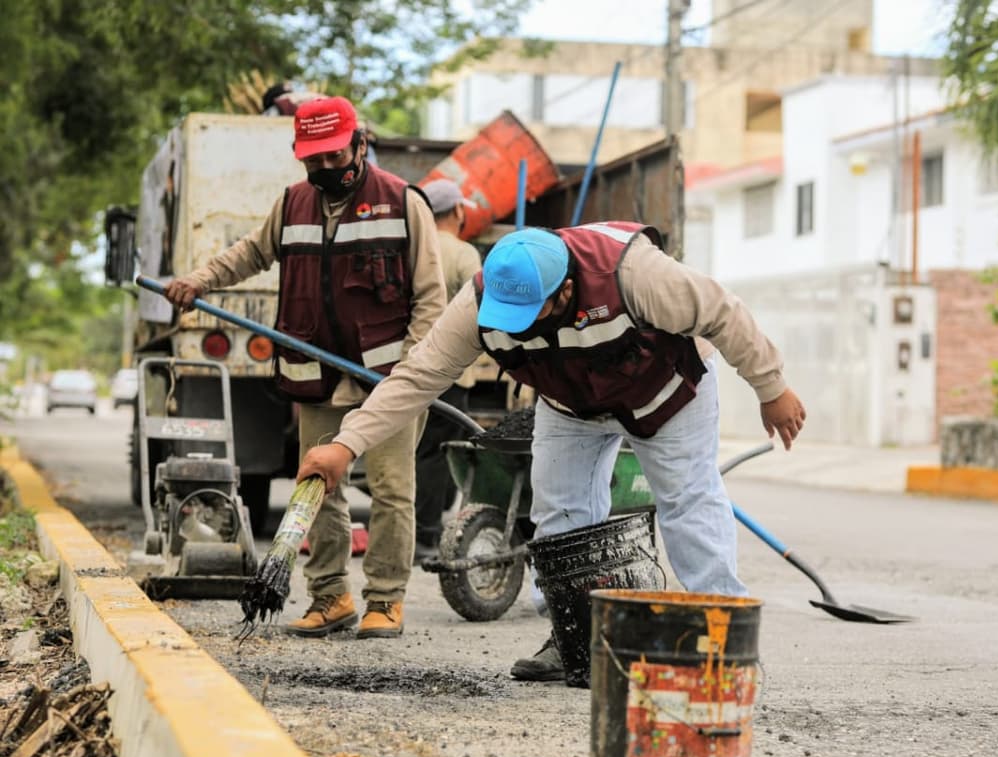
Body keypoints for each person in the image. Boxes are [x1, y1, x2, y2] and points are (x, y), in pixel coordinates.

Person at [298, 221, 806, 680]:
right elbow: (418, 376)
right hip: (570, 404)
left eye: (527, 312)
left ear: (565, 290)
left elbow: (723, 312)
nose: (513, 326)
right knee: (558, 513)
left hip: (668, 392)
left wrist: (771, 387)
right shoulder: (478, 306)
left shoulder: (636, 274)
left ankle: (725, 638)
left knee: (688, 505)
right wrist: (347, 444)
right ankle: (571, 637)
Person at [163, 96, 446, 640]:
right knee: (317, 486)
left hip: (388, 380)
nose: (322, 169)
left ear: (360, 146)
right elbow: (249, 254)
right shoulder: (292, 204)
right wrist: (199, 281)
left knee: (390, 490)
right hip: (314, 371)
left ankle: (385, 599)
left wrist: (412, 374)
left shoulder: (402, 203)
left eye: (333, 157)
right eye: (311, 159)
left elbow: (431, 301)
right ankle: (330, 597)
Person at [412, 179, 482, 560]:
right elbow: (481, 303)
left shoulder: (413, 246)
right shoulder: (463, 253)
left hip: (410, 366)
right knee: (443, 450)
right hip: (451, 371)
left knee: (420, 449)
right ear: (457, 210)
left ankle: (420, 527)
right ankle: (426, 533)